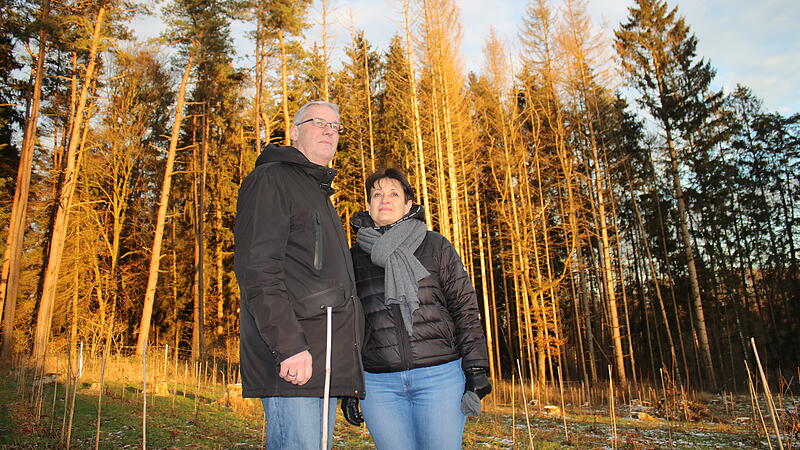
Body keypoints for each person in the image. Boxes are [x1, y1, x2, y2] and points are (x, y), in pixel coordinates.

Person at [234, 101, 364, 449]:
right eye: (318, 122)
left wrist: (348, 378)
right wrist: (289, 346)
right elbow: (258, 270)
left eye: (336, 126)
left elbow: (330, 289)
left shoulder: (317, 193)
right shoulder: (272, 180)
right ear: (294, 132)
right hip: (294, 360)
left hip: (322, 364)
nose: (329, 131)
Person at [341, 168, 492, 449]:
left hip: (440, 378)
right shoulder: (353, 258)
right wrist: (349, 384)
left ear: (408, 204)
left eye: (394, 193)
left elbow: (464, 308)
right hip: (379, 385)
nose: (384, 199)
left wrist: (476, 367)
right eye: (377, 194)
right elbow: (349, 326)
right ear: (369, 205)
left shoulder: (435, 246)